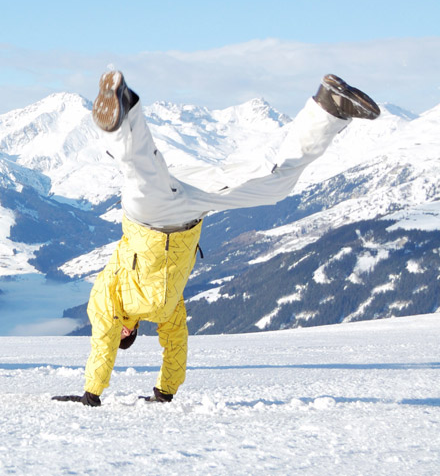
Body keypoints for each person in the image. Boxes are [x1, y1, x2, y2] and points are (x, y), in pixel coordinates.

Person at [54, 70, 380, 406]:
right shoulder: (165, 309)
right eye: (127, 336)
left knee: (141, 173)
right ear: (135, 331)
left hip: (148, 218)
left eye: (121, 335)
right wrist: (165, 392)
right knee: (274, 187)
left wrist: (91, 394)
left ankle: (120, 108)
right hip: (190, 212)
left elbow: (102, 343)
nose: (121, 333)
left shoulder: (105, 300)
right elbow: (176, 343)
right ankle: (329, 107)